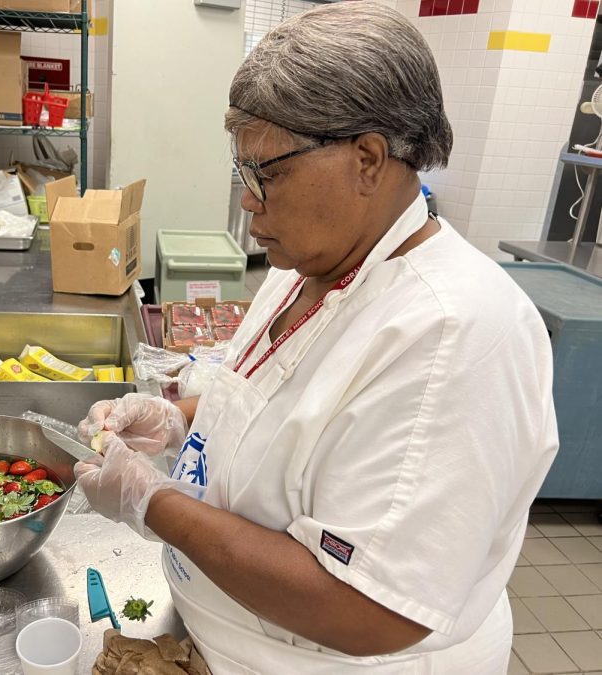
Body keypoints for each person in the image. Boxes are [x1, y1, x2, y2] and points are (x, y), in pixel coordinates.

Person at [75, 2, 559, 672]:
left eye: (267, 173)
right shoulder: (314, 261)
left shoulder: (456, 336)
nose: (249, 200)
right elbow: (285, 408)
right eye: (244, 172)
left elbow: (368, 607)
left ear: (367, 158)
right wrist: (177, 419)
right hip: (225, 638)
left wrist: (148, 500)